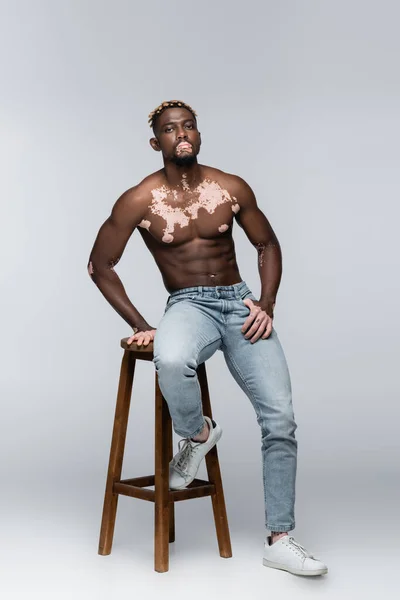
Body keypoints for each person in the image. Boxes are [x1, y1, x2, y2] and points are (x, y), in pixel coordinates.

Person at [88, 100, 328, 577]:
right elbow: (100, 266)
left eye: (189, 126)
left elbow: (267, 244)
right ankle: (198, 435)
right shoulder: (139, 200)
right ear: (156, 142)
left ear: (198, 134)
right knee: (172, 359)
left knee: (281, 417)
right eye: (171, 129)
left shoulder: (229, 187)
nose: (182, 134)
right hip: (188, 304)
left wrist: (267, 303)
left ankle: (280, 538)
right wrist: (141, 324)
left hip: (238, 303)